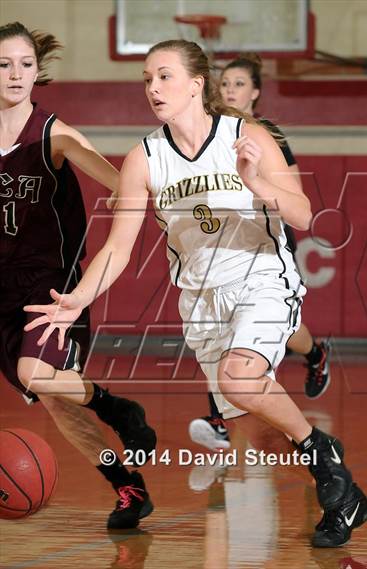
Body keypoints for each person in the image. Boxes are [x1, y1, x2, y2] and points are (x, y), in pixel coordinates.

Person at [24, 39, 367, 547]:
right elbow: (119, 249)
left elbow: (301, 214)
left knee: (238, 379)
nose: (152, 88)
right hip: (202, 305)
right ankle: (342, 492)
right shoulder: (145, 157)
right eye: (146, 78)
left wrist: (258, 184)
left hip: (261, 280)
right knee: (263, 437)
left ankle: (323, 455)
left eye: (164, 76)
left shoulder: (245, 135)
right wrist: (78, 297)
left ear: (195, 84)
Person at [0, 22, 156, 529]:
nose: (16, 73)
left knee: (35, 377)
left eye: (25, 63)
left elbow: (114, 176)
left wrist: (120, 188)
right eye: (4, 64)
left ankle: (117, 407)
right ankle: (129, 488)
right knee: (58, 406)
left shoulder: (53, 134)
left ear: (38, 69)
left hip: (49, 287)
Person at [189, 53, 331, 452]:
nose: (230, 89)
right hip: (225, 242)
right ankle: (219, 419)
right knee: (216, 325)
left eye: (238, 83)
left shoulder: (266, 134)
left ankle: (315, 352)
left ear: (255, 92)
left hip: (269, 238)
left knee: (283, 332)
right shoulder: (207, 133)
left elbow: (295, 196)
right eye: (226, 83)